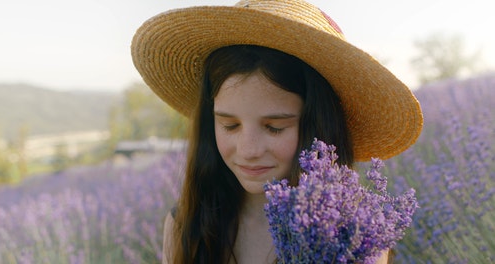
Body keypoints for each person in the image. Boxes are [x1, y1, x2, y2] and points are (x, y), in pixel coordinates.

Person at [131, 0, 423, 263]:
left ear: (317, 126)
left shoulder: (354, 234)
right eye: (229, 125)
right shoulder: (186, 226)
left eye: (274, 127)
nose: (248, 149)